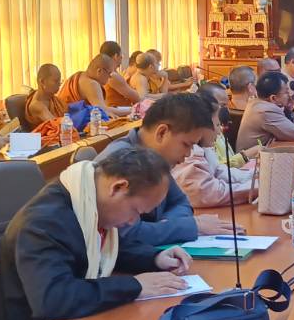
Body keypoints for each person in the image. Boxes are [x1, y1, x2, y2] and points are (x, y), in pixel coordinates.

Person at [0, 146, 197, 320]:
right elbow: (53, 299)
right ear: (118, 188)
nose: (133, 222)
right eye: (136, 211)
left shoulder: (88, 197)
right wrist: (135, 286)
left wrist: (154, 258)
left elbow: (105, 247)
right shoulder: (43, 223)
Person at [102, 92, 237, 248]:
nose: (188, 154)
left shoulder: (157, 159)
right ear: (162, 133)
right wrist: (189, 226)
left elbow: (181, 202)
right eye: (186, 145)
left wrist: (165, 227)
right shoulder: (119, 161)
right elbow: (126, 236)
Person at [176, 101, 258, 208]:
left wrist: (255, 174)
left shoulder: (205, 149)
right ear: (200, 127)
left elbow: (221, 172)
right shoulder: (190, 154)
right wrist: (258, 187)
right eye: (217, 125)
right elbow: (212, 194)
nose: (219, 132)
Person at [237, 71, 294, 152]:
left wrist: (289, 109)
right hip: (251, 158)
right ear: (273, 98)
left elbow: (288, 127)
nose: (289, 95)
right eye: (286, 92)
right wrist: (292, 112)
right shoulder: (266, 111)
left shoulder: (257, 102)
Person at [62, 55, 132, 119]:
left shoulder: (80, 75)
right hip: (67, 122)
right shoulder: (91, 84)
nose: (110, 77)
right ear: (99, 71)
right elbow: (102, 111)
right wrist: (131, 110)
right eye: (109, 73)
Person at [99, 40, 150, 108]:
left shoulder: (105, 73)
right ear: (116, 56)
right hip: (119, 112)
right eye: (121, 56)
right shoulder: (112, 75)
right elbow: (137, 98)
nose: (122, 59)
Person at [23, 64, 67, 131]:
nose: (59, 84)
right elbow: (57, 125)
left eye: (59, 81)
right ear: (42, 82)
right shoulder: (36, 105)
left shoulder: (52, 98)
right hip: (44, 137)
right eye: (56, 81)